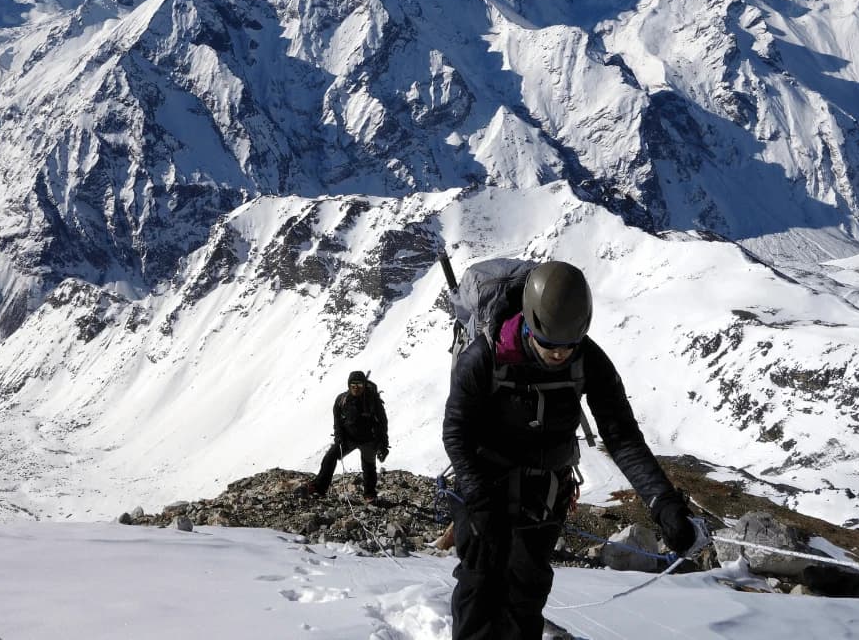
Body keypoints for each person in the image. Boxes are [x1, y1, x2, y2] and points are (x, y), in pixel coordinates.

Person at [443, 260, 697, 640]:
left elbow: (621, 435)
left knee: (526, 596)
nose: (559, 355)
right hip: (485, 489)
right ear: (529, 322)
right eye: (549, 345)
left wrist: (663, 502)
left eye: (568, 345)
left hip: (543, 495)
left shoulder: (588, 359)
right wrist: (478, 498)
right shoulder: (484, 356)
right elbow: (456, 431)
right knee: (480, 590)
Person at [298, 370, 390, 501]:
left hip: (369, 439)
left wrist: (383, 445)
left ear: (364, 385)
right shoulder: (342, 400)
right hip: (348, 438)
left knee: (368, 466)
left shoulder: (373, 401)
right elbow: (338, 421)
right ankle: (319, 488)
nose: (356, 388)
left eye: (359, 385)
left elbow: (382, 424)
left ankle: (369, 494)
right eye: (353, 385)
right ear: (349, 385)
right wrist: (339, 437)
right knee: (330, 456)